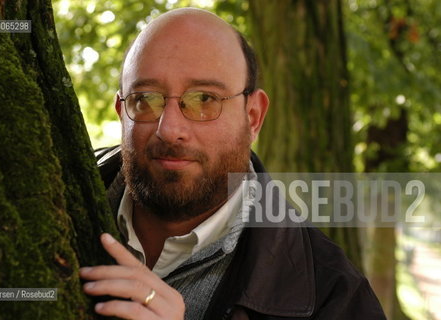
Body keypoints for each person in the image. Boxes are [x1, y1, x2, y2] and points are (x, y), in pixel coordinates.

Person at [79, 7, 386, 320]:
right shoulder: (57, 188)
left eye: (204, 100)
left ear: (253, 118)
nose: (169, 129)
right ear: (121, 111)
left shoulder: (336, 298)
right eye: (146, 99)